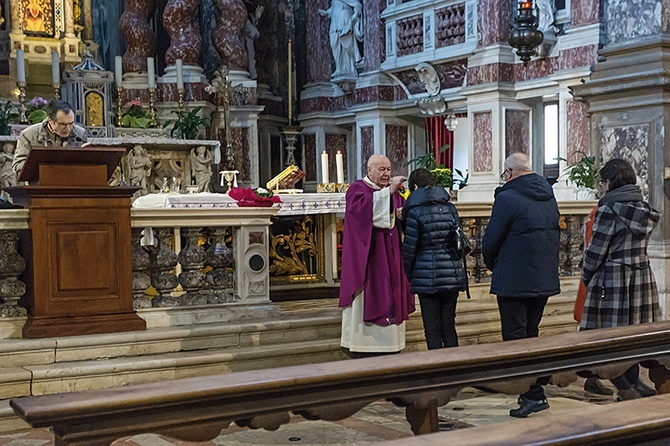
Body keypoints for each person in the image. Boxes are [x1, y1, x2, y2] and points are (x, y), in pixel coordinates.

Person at [482, 152, 560, 418]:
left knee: (515, 338)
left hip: (514, 279)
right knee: (531, 333)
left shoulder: (506, 198)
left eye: (505, 174)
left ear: (511, 172)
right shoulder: (548, 194)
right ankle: (535, 388)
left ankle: (532, 394)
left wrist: (494, 265)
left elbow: (491, 239)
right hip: (543, 278)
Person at [581, 158, 661, 401]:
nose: (602, 187)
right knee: (632, 337)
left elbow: (596, 250)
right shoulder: (643, 209)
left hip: (612, 278)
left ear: (609, 182)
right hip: (641, 277)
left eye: (603, 182)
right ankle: (633, 384)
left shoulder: (609, 209)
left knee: (607, 336)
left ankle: (626, 388)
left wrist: (586, 274)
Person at [339, 154, 414, 355]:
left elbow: (399, 215)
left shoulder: (392, 191)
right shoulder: (357, 189)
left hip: (391, 253)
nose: (386, 173)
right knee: (372, 291)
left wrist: (402, 215)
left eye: (388, 169)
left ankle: (391, 343)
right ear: (369, 170)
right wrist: (388, 193)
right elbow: (362, 215)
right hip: (369, 256)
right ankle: (363, 344)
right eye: (381, 169)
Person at [401, 168, 467, 350]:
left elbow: (409, 248)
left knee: (432, 327)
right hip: (451, 271)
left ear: (414, 187)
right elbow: (458, 239)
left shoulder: (415, 210)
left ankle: (437, 370)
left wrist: (410, 274)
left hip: (425, 274)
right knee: (448, 325)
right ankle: (455, 367)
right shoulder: (450, 207)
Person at [12, 100, 88, 177]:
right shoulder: (28, 134)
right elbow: (18, 164)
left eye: (71, 123)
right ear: (50, 121)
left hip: (72, 180)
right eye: (62, 124)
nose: (68, 128)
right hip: (40, 182)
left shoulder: (80, 134)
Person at [318, 0, 364, 78]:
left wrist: (356, 13)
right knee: (334, 43)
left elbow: (357, 4)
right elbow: (334, 7)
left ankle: (349, 68)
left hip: (344, 18)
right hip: (335, 21)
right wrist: (327, 12)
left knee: (346, 41)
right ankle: (339, 68)